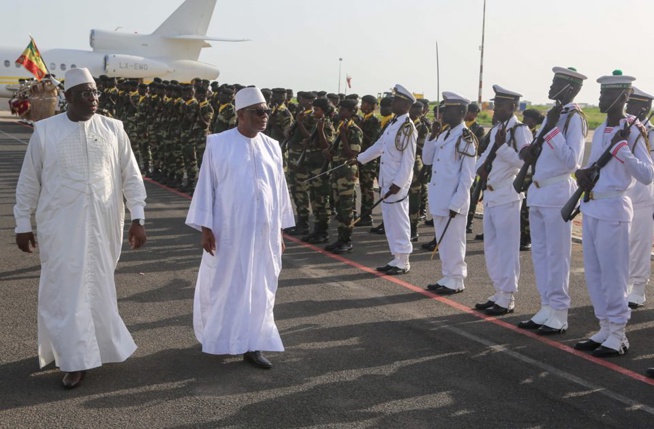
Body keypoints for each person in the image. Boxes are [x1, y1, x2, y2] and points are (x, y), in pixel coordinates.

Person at [13, 67, 147, 389]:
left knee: (97, 285)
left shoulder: (114, 129)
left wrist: (138, 217)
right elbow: (29, 181)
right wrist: (22, 223)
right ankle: (74, 359)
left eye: (96, 92)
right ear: (68, 97)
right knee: (68, 290)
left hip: (103, 226)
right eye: (86, 93)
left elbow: (131, 174)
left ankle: (96, 346)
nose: (94, 98)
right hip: (60, 227)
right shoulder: (45, 132)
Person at [186, 87, 294, 369]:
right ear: (241, 115)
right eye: (259, 112)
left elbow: (279, 190)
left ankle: (253, 343)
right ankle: (221, 338)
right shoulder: (218, 143)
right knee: (226, 285)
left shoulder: (272, 146)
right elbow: (206, 186)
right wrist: (205, 227)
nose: (265, 116)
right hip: (229, 231)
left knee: (262, 286)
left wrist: (279, 230)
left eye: (266, 111)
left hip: (264, 234)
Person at [573, 71, 654, 357]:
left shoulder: (631, 130)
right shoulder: (604, 129)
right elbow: (596, 167)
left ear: (623, 96)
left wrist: (624, 152)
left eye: (607, 94)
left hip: (615, 209)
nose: (600, 98)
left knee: (614, 275)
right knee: (595, 275)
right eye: (600, 93)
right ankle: (605, 327)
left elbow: (647, 174)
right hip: (593, 207)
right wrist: (581, 172)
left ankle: (619, 335)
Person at [517, 67, 587, 335]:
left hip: (558, 192)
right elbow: (537, 154)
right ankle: (546, 306)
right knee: (540, 256)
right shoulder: (554, 116)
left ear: (570, 89)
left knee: (557, 257)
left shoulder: (574, 119)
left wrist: (552, 131)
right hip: (538, 193)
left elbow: (573, 161)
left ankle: (559, 312)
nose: (550, 86)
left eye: (556, 82)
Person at [474, 85, 533, 315]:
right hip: (490, 193)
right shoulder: (498, 128)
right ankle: (498, 291)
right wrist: (481, 169)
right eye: (494, 104)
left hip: (507, 194)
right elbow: (483, 156)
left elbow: (525, 164)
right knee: (492, 247)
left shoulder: (520, 130)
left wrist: (503, 147)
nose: (494, 108)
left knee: (507, 248)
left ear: (512, 107)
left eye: (498, 105)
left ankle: (507, 297)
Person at [357, 84, 417, 275]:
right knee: (390, 221)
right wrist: (360, 158)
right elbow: (379, 146)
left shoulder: (408, 127)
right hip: (386, 180)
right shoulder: (393, 123)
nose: (393, 103)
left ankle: (404, 260)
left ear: (406, 104)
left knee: (399, 221)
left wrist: (398, 184)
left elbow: (408, 160)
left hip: (396, 184)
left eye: (397, 100)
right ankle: (396, 257)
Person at [422, 92, 477, 295]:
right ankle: (447, 275)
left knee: (454, 240)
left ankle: (457, 278)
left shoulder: (465, 138)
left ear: (461, 112)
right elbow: (427, 160)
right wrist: (432, 135)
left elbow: (467, 175)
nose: (443, 114)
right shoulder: (444, 134)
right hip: (439, 197)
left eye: (449, 110)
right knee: (443, 240)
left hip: (453, 199)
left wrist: (457, 203)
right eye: (443, 110)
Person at [624, 87, 654, 309]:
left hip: (645, 198)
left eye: (632, 105)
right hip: (624, 197)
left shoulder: (651, 134)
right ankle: (624, 284)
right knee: (623, 245)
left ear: (645, 108)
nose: (627, 109)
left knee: (640, 244)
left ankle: (638, 289)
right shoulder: (625, 130)